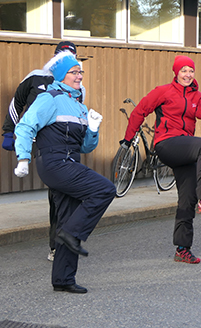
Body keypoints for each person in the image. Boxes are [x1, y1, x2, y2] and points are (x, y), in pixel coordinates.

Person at [13, 51, 116, 294]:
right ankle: (71, 233)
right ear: (61, 75)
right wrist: (23, 157)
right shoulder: (49, 98)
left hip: (71, 161)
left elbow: (86, 147)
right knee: (105, 189)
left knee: (69, 218)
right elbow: (26, 126)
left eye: (81, 72)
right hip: (54, 163)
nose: (79, 76)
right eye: (74, 72)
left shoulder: (79, 105)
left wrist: (92, 128)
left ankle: (63, 279)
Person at [120, 55, 201, 264]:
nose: (187, 74)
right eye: (183, 71)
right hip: (167, 143)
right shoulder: (164, 91)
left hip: (185, 148)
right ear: (176, 73)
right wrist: (128, 138)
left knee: (187, 198)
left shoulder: (196, 95)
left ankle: (182, 249)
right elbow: (141, 110)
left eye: (191, 71)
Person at [2, 41, 84, 262]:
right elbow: (16, 103)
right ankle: (58, 245)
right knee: (58, 193)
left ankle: (61, 243)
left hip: (68, 147)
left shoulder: (77, 86)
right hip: (43, 144)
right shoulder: (35, 78)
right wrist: (9, 132)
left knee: (64, 194)